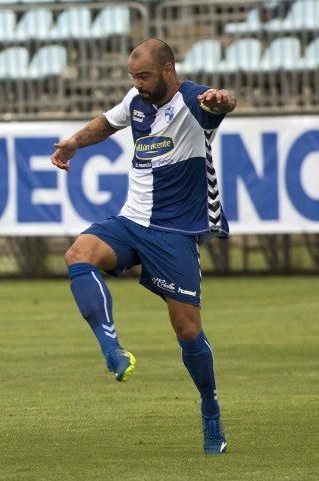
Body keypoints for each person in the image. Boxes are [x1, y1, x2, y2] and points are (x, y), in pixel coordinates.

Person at [50, 39, 236, 455]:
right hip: (132, 220)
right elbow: (107, 121)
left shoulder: (193, 100)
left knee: (187, 330)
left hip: (175, 232)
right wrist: (75, 142)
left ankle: (210, 410)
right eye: (133, 77)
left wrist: (224, 100)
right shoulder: (137, 98)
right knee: (78, 254)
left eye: (144, 76)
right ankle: (111, 347)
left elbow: (221, 106)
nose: (137, 84)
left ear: (168, 69)